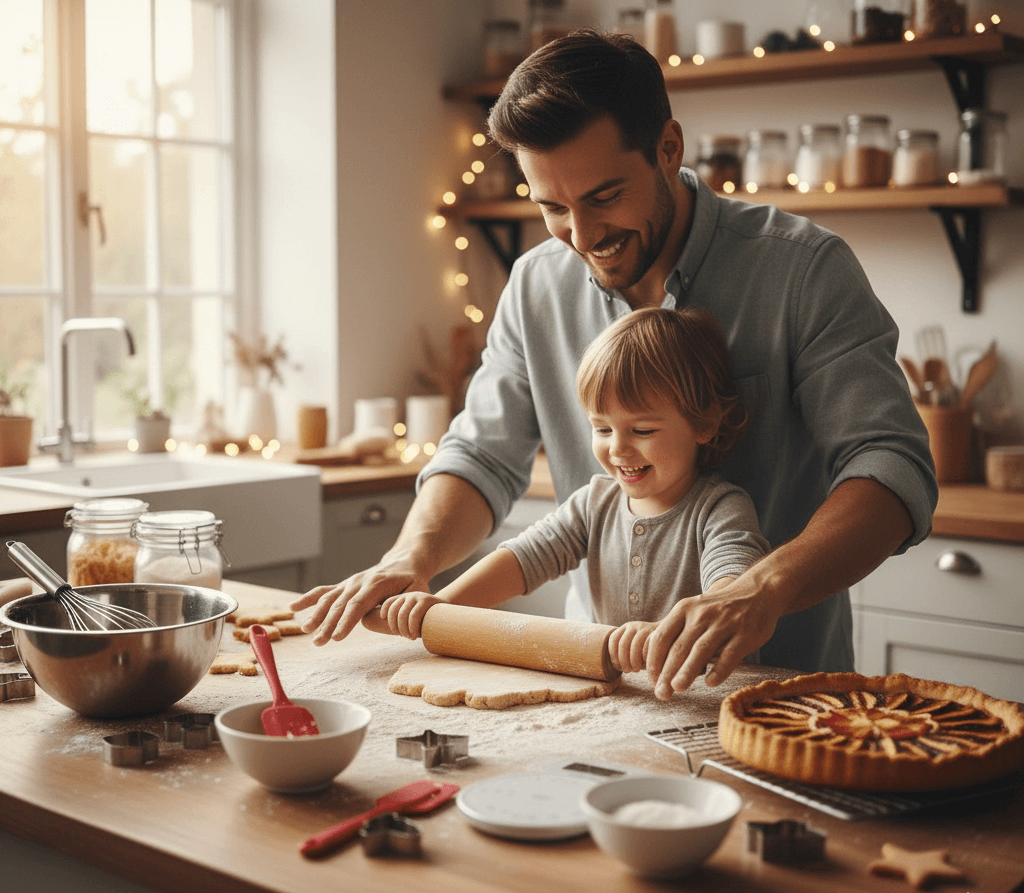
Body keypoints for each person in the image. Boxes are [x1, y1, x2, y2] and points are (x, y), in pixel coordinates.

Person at [293, 29, 937, 701]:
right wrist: (411, 560)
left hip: (787, 692)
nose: (582, 234)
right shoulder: (536, 284)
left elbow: (891, 468)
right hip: (599, 690)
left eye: (603, 196)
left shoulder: (803, 269)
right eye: (551, 207)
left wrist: (758, 589)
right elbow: (482, 456)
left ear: (668, 149)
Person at [379, 307, 770, 673]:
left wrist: (669, 632)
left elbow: (730, 589)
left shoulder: (722, 509)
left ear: (704, 425)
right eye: (602, 429)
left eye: (643, 430)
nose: (617, 448)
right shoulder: (595, 503)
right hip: (620, 697)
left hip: (705, 700)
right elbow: (525, 558)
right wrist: (444, 604)